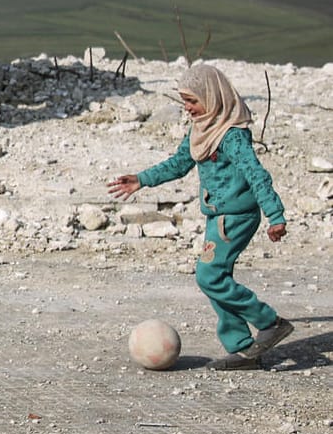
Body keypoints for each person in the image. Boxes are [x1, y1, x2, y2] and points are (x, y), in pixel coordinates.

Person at [108, 64, 293, 370]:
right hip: (217, 217)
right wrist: (141, 179)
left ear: (213, 97)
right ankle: (244, 349)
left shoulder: (232, 136)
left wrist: (275, 215)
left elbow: (257, 175)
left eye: (193, 101)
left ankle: (270, 322)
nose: (188, 109)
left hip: (236, 217)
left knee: (210, 276)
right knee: (215, 279)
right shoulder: (200, 131)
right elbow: (179, 164)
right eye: (185, 103)